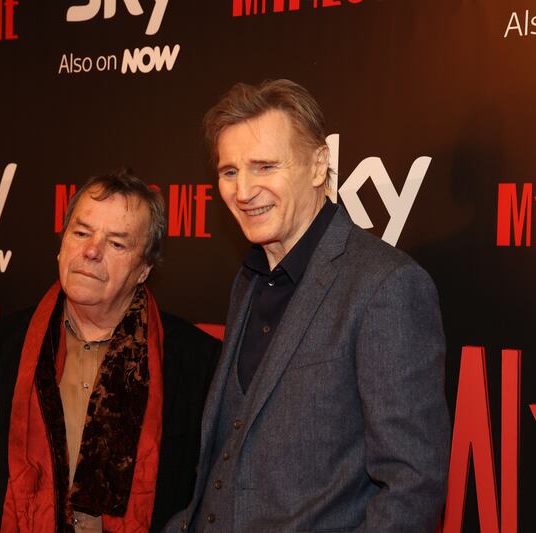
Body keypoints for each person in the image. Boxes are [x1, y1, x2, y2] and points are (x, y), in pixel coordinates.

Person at [168, 79, 450, 532]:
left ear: (319, 165)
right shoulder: (249, 279)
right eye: (229, 172)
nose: (243, 192)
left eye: (264, 166)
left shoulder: (386, 285)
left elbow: (412, 486)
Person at [0, 169, 221, 533]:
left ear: (144, 269)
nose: (91, 251)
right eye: (81, 232)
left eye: (117, 243)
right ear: (61, 245)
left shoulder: (197, 363)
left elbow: (210, 502)